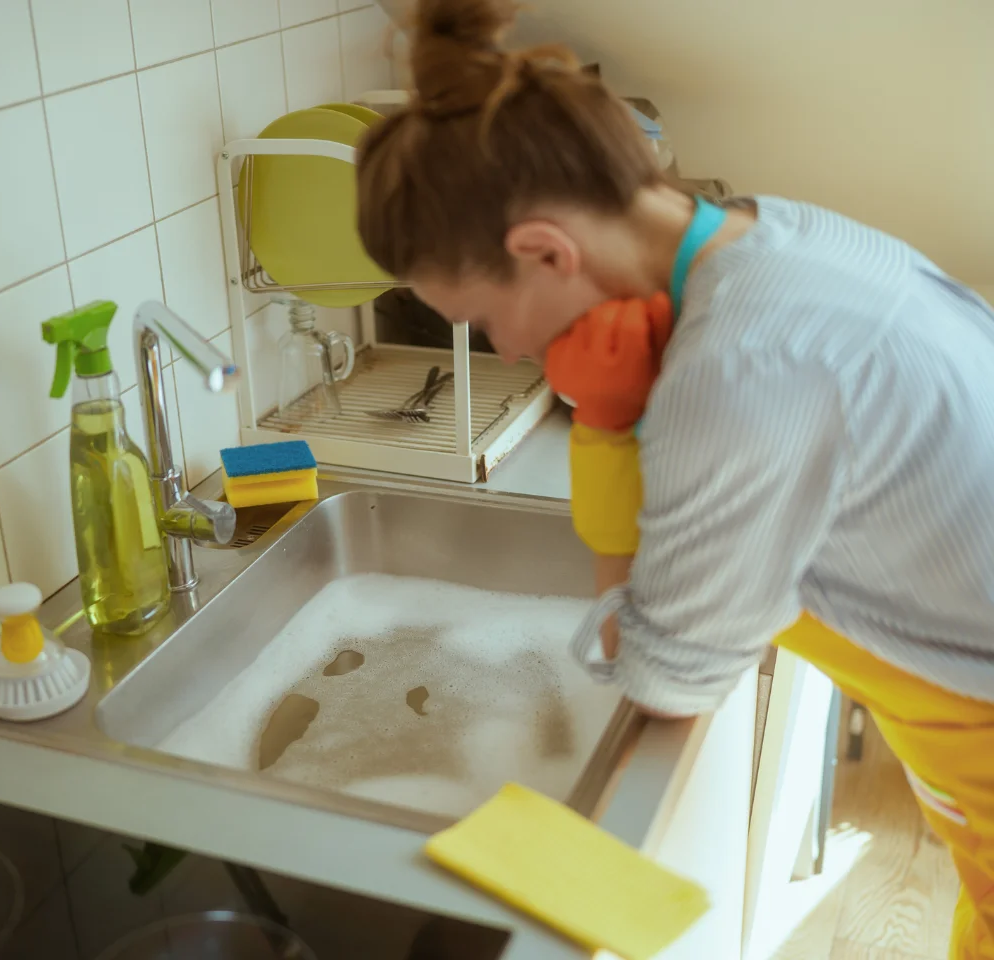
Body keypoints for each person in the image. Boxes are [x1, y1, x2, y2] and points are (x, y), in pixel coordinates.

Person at [353, 1, 994, 957]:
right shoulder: (775, 232)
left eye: (483, 315)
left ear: (543, 250)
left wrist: (606, 428)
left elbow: (663, 676)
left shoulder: (739, 368)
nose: (509, 347)